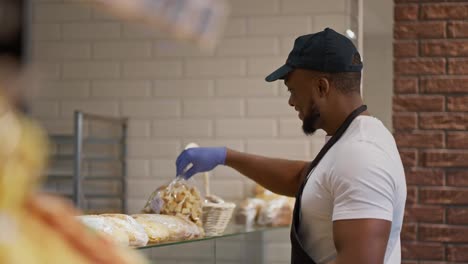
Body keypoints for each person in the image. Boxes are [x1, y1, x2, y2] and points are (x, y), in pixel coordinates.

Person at [175, 27, 406, 264]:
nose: (291, 101)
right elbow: (303, 180)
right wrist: (227, 156)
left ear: (322, 87)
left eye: (293, 90)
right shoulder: (352, 141)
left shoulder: (361, 155)